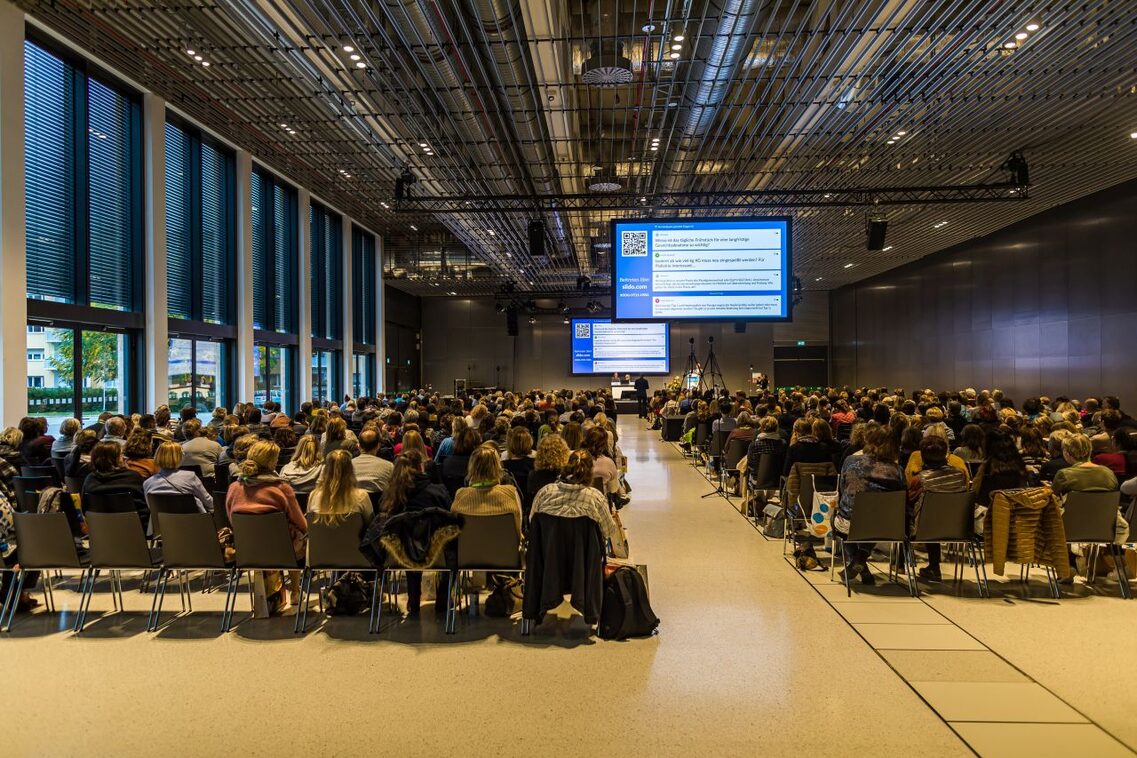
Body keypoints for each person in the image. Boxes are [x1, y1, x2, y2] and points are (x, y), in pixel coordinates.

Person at [225, 440, 307, 614]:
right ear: (272, 462)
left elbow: (231, 520)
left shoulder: (234, 487)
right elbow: (301, 523)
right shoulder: (281, 488)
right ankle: (296, 590)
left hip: (245, 550)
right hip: (281, 550)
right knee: (300, 534)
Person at [377, 450, 453, 617]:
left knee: (408, 539)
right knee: (450, 542)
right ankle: (443, 599)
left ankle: (413, 601)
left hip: (399, 556)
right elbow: (451, 518)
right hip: (436, 554)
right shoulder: (438, 491)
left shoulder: (391, 498)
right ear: (421, 466)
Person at [833, 424, 905, 586]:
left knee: (844, 520)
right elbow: (901, 498)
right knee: (875, 520)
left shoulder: (851, 461)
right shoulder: (898, 470)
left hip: (850, 523)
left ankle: (859, 561)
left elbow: (843, 489)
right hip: (887, 526)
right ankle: (861, 558)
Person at [907, 436, 970, 582]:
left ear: (922, 456)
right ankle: (933, 567)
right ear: (946, 454)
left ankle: (899, 563)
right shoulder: (960, 475)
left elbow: (909, 501)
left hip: (925, 529)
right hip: (958, 528)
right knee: (935, 516)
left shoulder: (919, 479)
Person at [530, 450, 618, 540]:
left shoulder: (544, 493)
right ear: (590, 473)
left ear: (565, 467)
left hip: (548, 551)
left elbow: (532, 521)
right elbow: (609, 531)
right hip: (584, 552)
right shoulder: (595, 498)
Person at [451, 444, 523, 537]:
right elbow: (518, 528)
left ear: (472, 467)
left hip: (470, 550)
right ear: (498, 466)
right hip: (506, 549)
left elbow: (454, 531)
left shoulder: (460, 496)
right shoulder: (511, 494)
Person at [82, 440, 148, 524]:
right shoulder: (133, 477)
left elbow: (85, 509)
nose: (124, 457)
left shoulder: (90, 479)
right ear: (113, 459)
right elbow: (144, 509)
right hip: (135, 530)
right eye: (120, 455)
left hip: (101, 530)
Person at [308, 449, 374, 527]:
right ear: (351, 470)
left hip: (318, 539)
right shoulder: (362, 496)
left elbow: (310, 524)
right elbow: (371, 525)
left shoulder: (313, 495)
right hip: (352, 539)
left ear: (326, 470)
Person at [144, 441, 214, 513]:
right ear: (179, 457)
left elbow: (152, 509)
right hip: (193, 522)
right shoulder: (190, 477)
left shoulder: (147, 483)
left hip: (163, 523)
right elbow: (208, 502)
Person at [972, 433, 1028, 508]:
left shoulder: (987, 469)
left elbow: (975, 493)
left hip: (990, 513)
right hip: (1018, 513)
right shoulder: (1021, 468)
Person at [1052, 434, 1119, 495]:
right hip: (1106, 508)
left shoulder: (1063, 475)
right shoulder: (1108, 473)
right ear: (1090, 449)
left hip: (1075, 508)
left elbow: (1054, 497)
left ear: (1067, 454)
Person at [352, 428, 394, 493]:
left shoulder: (349, 465)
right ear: (378, 446)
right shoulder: (389, 466)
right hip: (381, 502)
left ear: (359, 446)